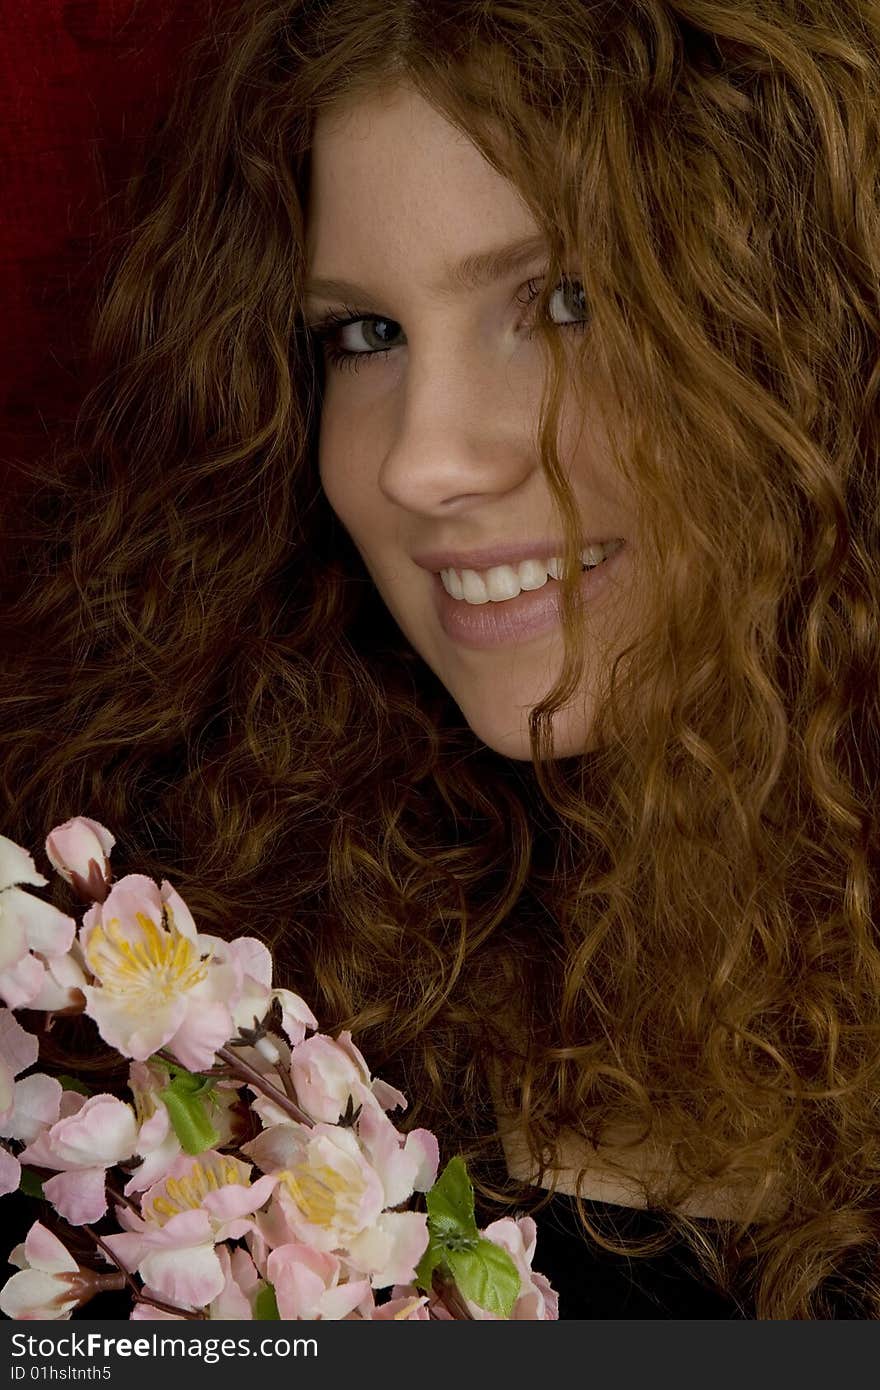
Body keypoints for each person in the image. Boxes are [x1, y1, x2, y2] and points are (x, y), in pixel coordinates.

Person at [1, 0, 878, 1320]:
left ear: (817, 344)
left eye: (562, 303)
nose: (421, 459)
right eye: (363, 336)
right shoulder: (185, 991)